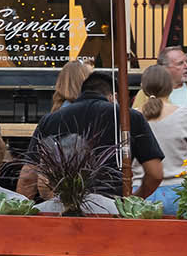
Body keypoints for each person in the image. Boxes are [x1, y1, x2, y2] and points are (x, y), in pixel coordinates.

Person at [18, 70, 163, 205]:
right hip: (112, 209)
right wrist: (133, 200)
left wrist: (21, 216)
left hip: (62, 207)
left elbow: (27, 177)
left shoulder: (50, 120)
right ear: (114, 97)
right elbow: (155, 173)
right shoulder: (129, 117)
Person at [138, 63, 187, 214]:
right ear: (170, 87)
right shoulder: (185, 114)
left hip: (140, 194)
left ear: (143, 87)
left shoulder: (132, 116)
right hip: (179, 193)